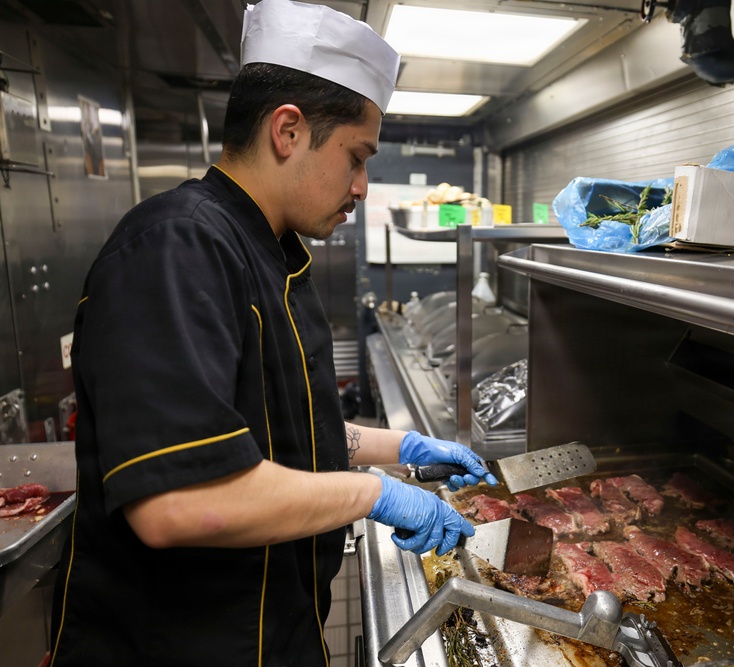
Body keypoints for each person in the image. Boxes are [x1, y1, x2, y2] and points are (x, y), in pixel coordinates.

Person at [47, 1, 496, 665]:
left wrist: (400, 444)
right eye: (356, 156)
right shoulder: (175, 249)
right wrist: (374, 493)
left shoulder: (270, 254)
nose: (362, 185)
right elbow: (175, 501)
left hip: (267, 632)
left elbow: (275, 429)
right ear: (287, 131)